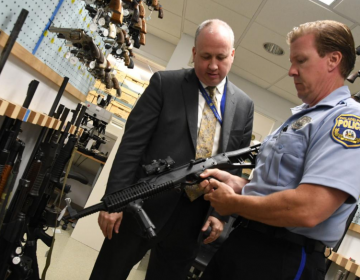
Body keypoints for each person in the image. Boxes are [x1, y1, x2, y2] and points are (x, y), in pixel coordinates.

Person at [90, 19, 254, 280]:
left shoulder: (244, 106)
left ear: (232, 55)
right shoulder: (165, 84)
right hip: (141, 205)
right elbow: (132, 145)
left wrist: (220, 214)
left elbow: (234, 166)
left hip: (194, 220)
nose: (213, 65)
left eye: (221, 57)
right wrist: (115, 201)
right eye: (205, 56)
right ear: (193, 53)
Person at [198, 20, 360, 280]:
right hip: (245, 240)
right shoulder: (300, 119)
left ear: (333, 60)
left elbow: (309, 208)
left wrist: (234, 203)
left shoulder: (347, 120)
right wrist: (240, 184)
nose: (291, 71)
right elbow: (276, 188)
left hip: (283, 256)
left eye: (301, 61)